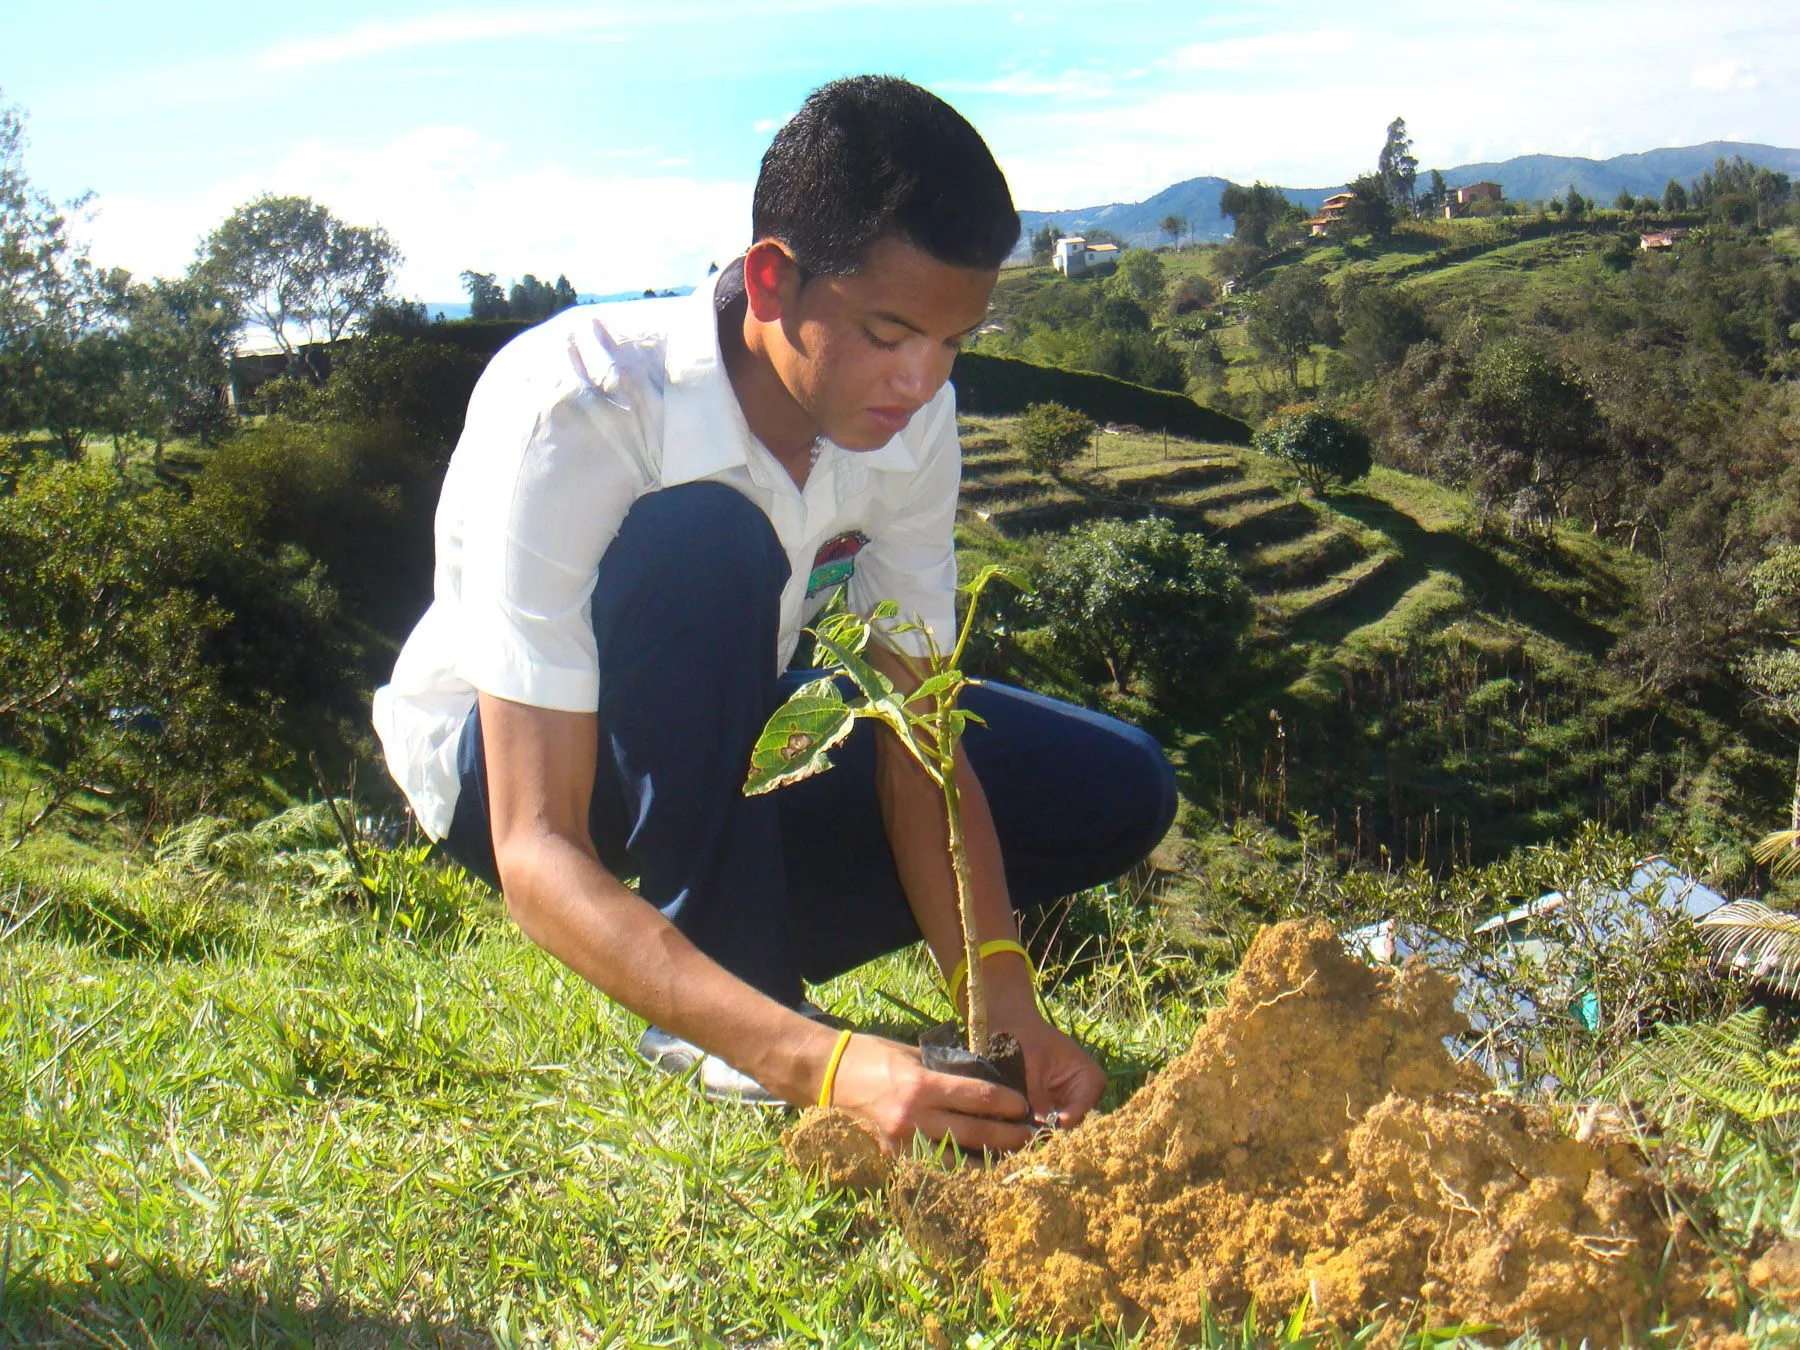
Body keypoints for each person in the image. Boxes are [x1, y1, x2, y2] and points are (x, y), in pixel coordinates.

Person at [373, 75, 1175, 1156]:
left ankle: (714, 970)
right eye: (891, 332)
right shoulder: (583, 406)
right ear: (768, 280)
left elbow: (915, 739)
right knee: (704, 538)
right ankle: (739, 1003)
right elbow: (535, 840)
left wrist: (1004, 1006)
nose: (920, 380)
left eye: (953, 343)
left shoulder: (915, 417)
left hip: (722, 740)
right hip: (517, 773)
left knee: (1112, 786)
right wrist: (821, 1062)